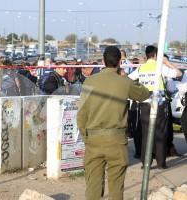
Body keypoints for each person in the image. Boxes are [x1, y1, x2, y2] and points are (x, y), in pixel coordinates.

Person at [77, 46, 150, 200]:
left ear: (103, 61)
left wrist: (86, 137)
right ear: (119, 62)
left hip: (94, 140)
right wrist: (125, 77)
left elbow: (81, 114)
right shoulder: (124, 82)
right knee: (116, 187)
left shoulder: (90, 81)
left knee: (93, 185)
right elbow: (143, 94)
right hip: (117, 141)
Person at [128, 45, 182, 169]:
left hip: (145, 104)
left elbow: (128, 80)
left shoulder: (141, 68)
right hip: (159, 104)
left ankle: (145, 163)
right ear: (156, 55)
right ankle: (161, 163)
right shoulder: (160, 67)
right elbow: (178, 73)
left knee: (146, 133)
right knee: (160, 133)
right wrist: (167, 62)